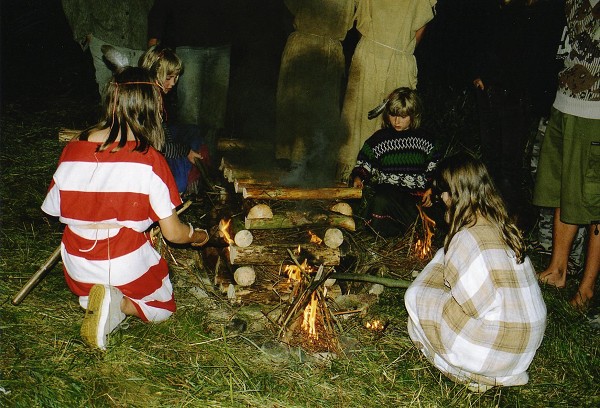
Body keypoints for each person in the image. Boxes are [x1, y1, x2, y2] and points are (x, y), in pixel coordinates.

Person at [41, 67, 210, 350]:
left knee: (92, 281)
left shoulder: (73, 147)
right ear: (151, 107)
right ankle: (120, 303)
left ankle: (93, 300)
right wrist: (198, 235)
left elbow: (54, 209)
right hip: (121, 260)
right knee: (162, 306)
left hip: (76, 262)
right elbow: (174, 235)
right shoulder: (149, 159)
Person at [405, 152, 547, 392]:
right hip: (526, 346)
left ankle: (471, 372)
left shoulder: (466, 237)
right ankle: (498, 372)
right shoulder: (503, 225)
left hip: (496, 347)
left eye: (443, 192)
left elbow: (473, 306)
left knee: (415, 298)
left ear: (454, 194)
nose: (442, 198)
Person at [468, 0, 565, 225]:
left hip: (514, 95)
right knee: (491, 158)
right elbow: (477, 41)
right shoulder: (492, 9)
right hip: (488, 93)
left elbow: (528, 56)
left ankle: (514, 219)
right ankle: (489, 214)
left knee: (509, 163)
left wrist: (494, 77)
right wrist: (478, 73)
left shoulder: (533, 13)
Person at [533, 0, 600, 310]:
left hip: (595, 113)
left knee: (594, 198)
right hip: (564, 104)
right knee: (563, 188)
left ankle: (586, 288)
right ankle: (557, 270)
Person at [337, 0, 437, 181]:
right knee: (360, 116)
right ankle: (355, 173)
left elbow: (419, 28)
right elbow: (360, 23)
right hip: (370, 56)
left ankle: (390, 174)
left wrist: (400, 51)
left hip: (397, 58)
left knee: (396, 114)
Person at [274, 0, 355, 183]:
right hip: (303, 45)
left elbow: (352, 20)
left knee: (325, 110)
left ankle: (317, 164)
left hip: (331, 50)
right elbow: (289, 10)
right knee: (296, 106)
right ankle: (291, 165)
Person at [147, 0, 238, 153]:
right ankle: (188, 157)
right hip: (188, 45)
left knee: (216, 111)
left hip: (221, 45)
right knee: (189, 110)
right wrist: (154, 38)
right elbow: (160, 6)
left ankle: (208, 159)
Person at [350, 87, 440, 237]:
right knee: (380, 199)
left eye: (403, 116)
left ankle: (415, 232)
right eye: (393, 115)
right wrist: (359, 177)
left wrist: (432, 189)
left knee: (430, 214)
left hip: (414, 199)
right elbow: (364, 162)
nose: (397, 121)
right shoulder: (379, 139)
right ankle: (380, 237)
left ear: (413, 115)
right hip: (388, 197)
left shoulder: (426, 139)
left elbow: (435, 167)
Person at [139, 44, 212, 194]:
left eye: (175, 78)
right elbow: (158, 147)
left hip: (160, 141)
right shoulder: (147, 101)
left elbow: (162, 129)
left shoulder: (154, 91)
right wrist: (185, 151)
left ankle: (192, 169)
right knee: (178, 182)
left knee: (194, 130)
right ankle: (186, 179)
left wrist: (176, 144)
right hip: (150, 151)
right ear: (154, 72)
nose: (173, 83)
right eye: (168, 77)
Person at [61, 0, 154, 98]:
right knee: (108, 96)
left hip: (138, 38)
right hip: (103, 36)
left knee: (139, 97)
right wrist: (83, 31)